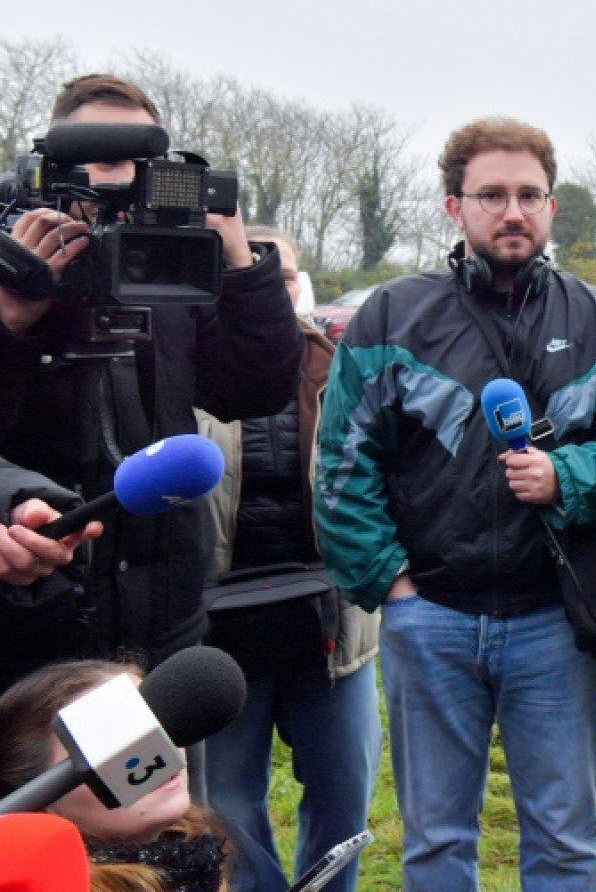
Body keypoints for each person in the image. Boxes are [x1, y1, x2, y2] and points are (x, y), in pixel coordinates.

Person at [313, 116, 596, 891]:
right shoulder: (393, 317)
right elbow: (339, 463)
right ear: (453, 207)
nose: (513, 211)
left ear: (552, 207)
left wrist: (568, 477)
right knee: (435, 842)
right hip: (429, 616)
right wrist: (392, 588)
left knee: (566, 840)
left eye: (530, 194)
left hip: (553, 624)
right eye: (492, 194)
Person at [0, 74, 303, 691]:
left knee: (164, 792)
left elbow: (257, 390)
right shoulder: (10, 277)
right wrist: (12, 317)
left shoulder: (173, 273)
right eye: (108, 159)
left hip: (162, 625)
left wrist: (240, 262)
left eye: (144, 163)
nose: (125, 180)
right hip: (32, 638)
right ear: (54, 169)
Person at [199, 226, 381, 892]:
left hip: (331, 621)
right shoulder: (187, 365)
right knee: (224, 807)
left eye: (285, 273)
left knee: (345, 797)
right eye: (255, 270)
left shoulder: (339, 365)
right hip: (217, 627)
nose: (274, 286)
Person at [0, 659, 230, 891]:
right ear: (36, 791)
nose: (157, 749)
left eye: (155, 722)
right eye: (107, 742)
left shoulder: (197, 863)